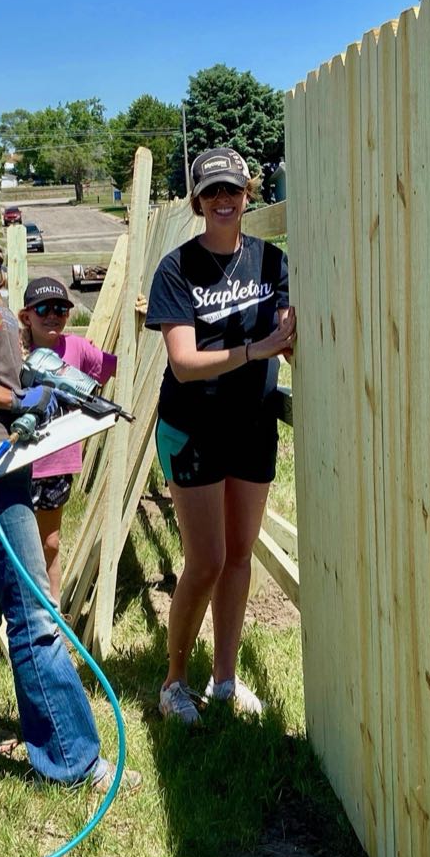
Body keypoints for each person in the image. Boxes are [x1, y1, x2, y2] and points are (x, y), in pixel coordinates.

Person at [0, 154, 140, 790]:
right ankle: (70, 757)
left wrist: (52, 385)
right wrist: (14, 401)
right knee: (33, 607)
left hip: (4, 454)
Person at [145, 147, 296, 725]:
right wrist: (259, 348)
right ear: (197, 201)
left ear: (247, 193)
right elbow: (184, 361)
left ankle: (226, 679)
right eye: (212, 191)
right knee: (204, 560)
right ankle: (173, 681)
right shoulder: (177, 269)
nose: (224, 199)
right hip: (194, 427)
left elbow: (292, 327)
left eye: (232, 188)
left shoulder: (271, 262)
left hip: (252, 425)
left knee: (238, 557)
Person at [19, 276, 117, 608]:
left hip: (57, 464)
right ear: (26, 316)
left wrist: (142, 323)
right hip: (19, 463)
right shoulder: (14, 351)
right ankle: (17, 609)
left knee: (49, 542)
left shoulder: (76, 348)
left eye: (61, 308)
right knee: (18, 542)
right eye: (43, 308)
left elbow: (114, 364)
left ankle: (53, 611)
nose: (53, 315)